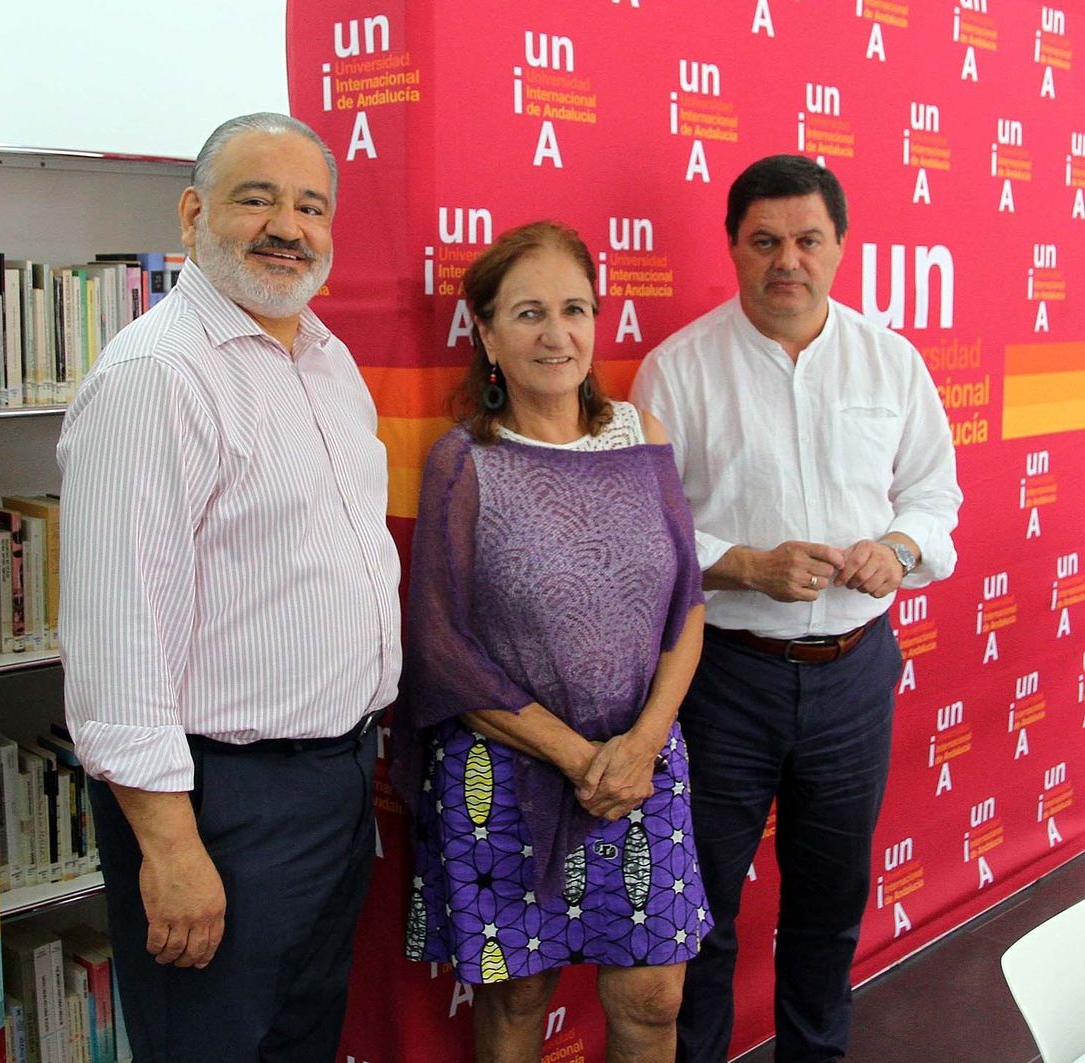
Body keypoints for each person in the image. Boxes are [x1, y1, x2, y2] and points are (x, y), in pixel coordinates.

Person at [56, 112, 401, 1063]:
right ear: (193, 212)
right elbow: (118, 641)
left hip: (332, 782)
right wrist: (170, 849)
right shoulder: (158, 378)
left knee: (300, 1038)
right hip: (216, 803)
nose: (287, 226)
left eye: (310, 205)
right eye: (257, 198)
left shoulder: (327, 364)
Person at [630, 155, 962, 1063]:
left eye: (808, 240)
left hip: (855, 670)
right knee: (703, 909)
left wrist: (896, 551)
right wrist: (743, 565)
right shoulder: (677, 370)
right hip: (721, 679)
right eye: (765, 241)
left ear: (841, 248)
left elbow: (935, 499)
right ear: (733, 247)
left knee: (829, 901)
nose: (788, 260)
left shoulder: (890, 361)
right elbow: (647, 535)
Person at [397, 220, 709, 1063]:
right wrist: (578, 756)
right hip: (506, 772)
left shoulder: (641, 437)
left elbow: (688, 605)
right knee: (516, 998)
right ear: (488, 335)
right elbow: (441, 650)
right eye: (528, 312)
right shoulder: (465, 462)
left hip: (641, 765)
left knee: (654, 996)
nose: (556, 333)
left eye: (575, 309)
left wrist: (641, 744)